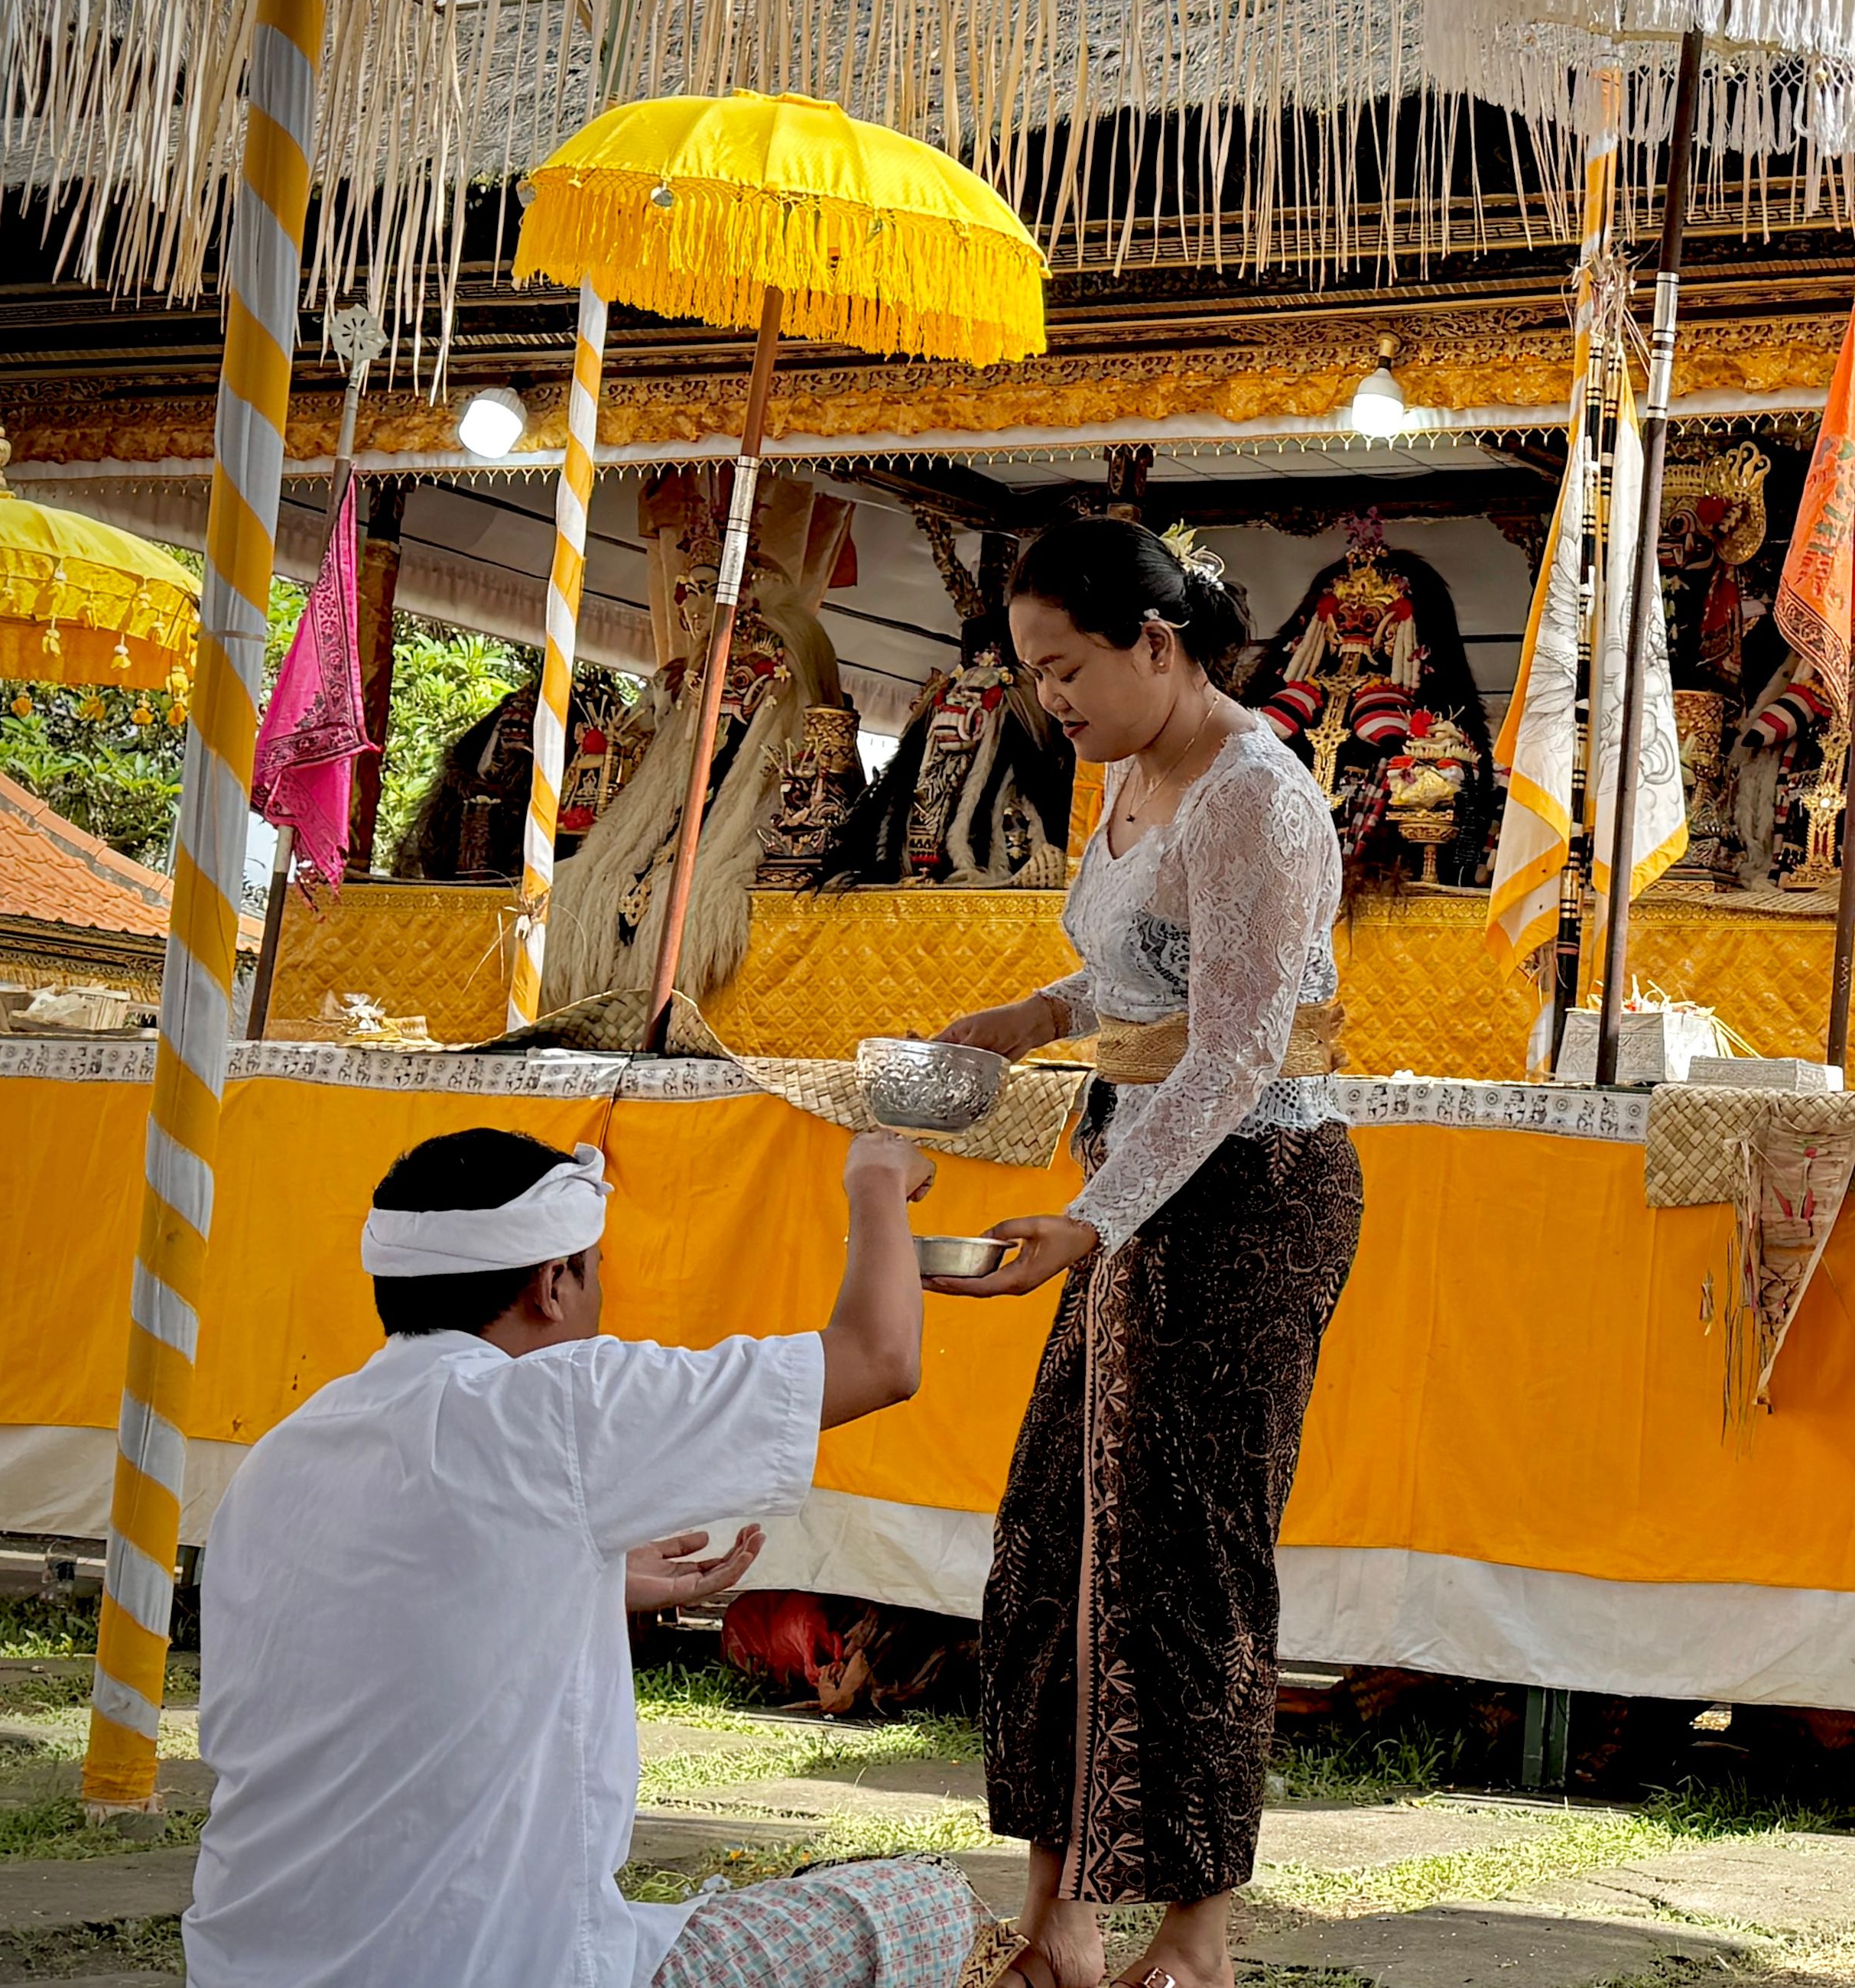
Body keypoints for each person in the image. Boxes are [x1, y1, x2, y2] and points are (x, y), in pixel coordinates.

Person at [183, 1124, 975, 1988]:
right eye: (597, 1269)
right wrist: (876, 1178)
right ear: (552, 1283)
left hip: (244, 1967)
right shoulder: (553, 1406)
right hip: (499, 1971)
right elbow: (877, 1358)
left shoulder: (283, 1455)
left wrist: (581, 1574)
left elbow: (383, 1615)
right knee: (929, 1905)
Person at [932, 517, 1364, 1988]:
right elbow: (1141, 968)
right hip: (1132, 1184)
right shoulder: (1125, 764)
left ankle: (1195, 1938)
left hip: (1248, 1199)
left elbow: (1238, 1046)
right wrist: (1033, 1017)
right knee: (1055, 1538)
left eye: (1066, 666)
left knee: (1184, 1561)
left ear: (1158, 646)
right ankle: (1058, 1919)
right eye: (1031, 670)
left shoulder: (1258, 797)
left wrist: (1092, 1221)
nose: (1048, 697)